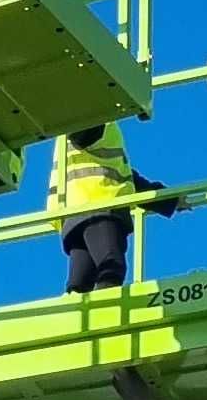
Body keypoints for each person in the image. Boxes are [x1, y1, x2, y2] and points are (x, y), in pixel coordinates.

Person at [46, 124, 179, 293]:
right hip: (100, 206)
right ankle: (104, 314)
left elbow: (128, 179)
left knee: (80, 284)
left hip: (73, 217)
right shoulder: (98, 116)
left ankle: (77, 314)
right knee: (111, 267)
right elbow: (82, 132)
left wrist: (170, 201)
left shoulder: (71, 131)